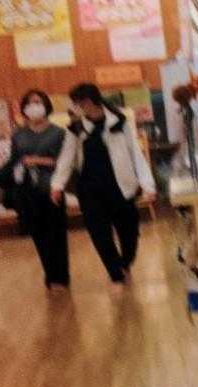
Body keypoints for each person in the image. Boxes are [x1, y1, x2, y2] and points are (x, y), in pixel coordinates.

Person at [50, 83, 155, 286]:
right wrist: (57, 185)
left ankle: (125, 263)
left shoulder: (120, 122)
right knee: (99, 233)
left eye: (79, 103)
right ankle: (116, 272)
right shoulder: (76, 128)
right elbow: (66, 157)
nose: (76, 107)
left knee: (129, 232)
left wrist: (147, 184)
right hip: (90, 190)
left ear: (90, 101)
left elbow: (136, 154)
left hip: (121, 187)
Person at [10, 90, 69, 289]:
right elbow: (14, 160)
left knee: (56, 232)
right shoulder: (18, 134)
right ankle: (50, 273)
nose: (34, 106)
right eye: (30, 103)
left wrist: (38, 160)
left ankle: (61, 276)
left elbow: (65, 162)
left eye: (38, 102)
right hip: (27, 189)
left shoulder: (58, 133)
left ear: (46, 105)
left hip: (52, 187)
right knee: (38, 233)